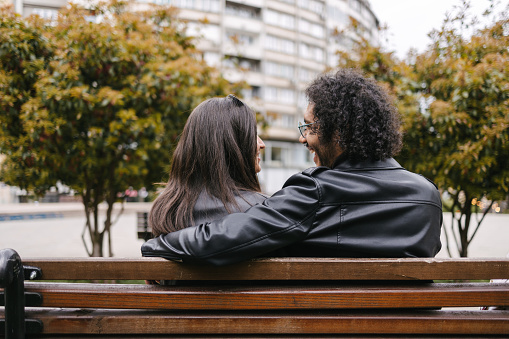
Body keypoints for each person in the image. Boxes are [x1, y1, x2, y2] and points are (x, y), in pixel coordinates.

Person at [142, 69, 443, 265]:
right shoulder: (427, 196)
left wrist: (156, 247)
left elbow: (219, 240)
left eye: (309, 127)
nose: (302, 138)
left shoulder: (316, 190)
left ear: (338, 132)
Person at [148, 94, 267, 237]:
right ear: (230, 145)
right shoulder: (260, 210)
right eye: (253, 134)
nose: (261, 144)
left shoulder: (166, 210)